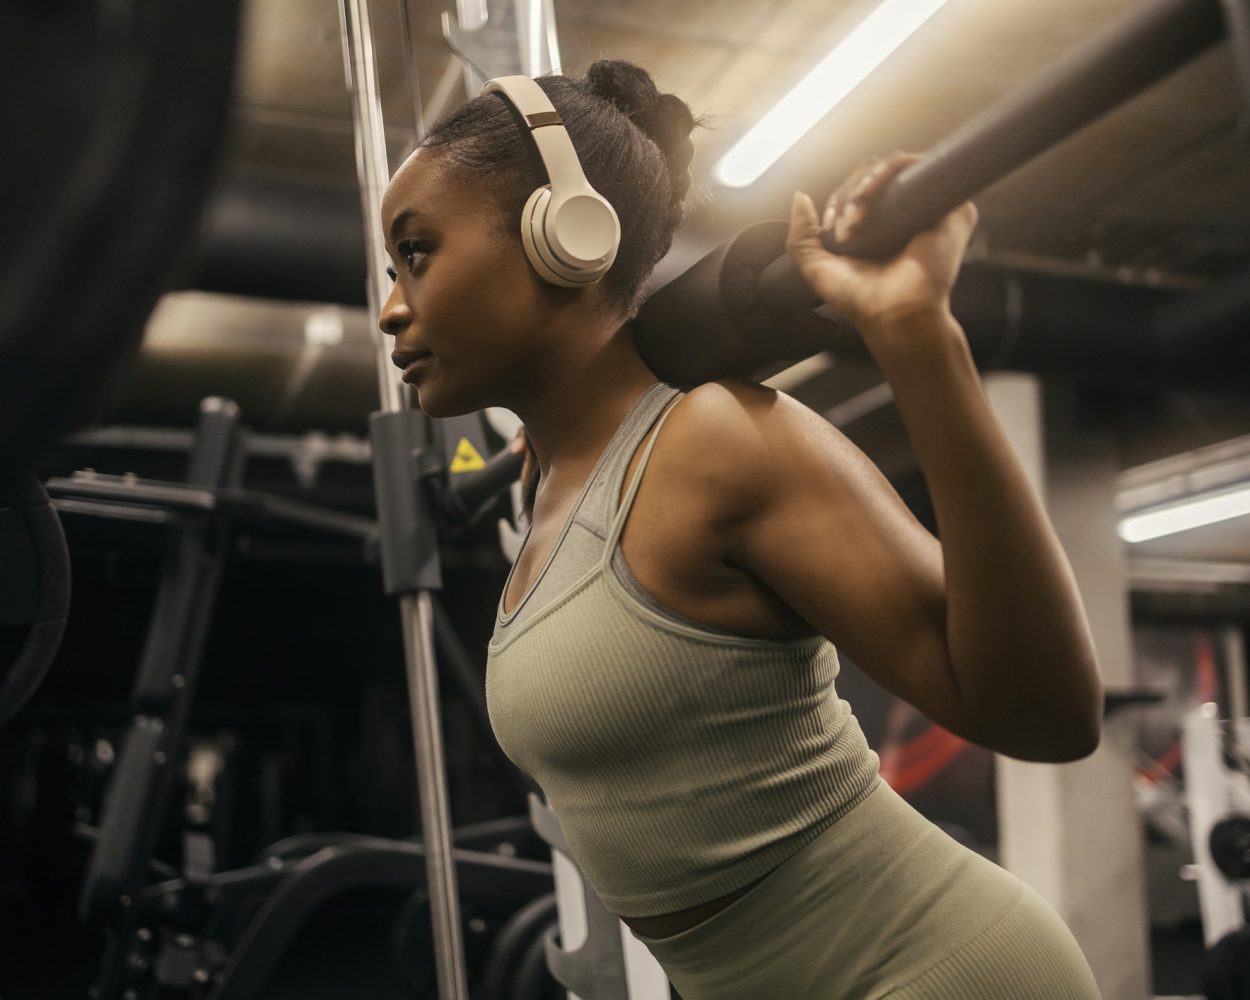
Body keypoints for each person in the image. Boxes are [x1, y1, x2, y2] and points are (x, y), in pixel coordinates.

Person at [377, 59, 1103, 1000]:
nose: (392, 307)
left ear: (561, 236)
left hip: (933, 971)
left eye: (417, 252)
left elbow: (1045, 713)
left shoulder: (713, 443)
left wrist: (919, 333)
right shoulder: (552, 486)